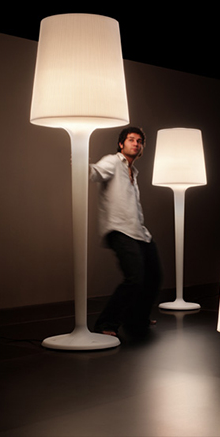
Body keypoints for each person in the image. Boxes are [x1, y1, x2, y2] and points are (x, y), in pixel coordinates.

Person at [90, 126, 163, 337]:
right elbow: (95, 172)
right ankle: (105, 323)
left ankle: (137, 318)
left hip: (139, 232)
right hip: (120, 230)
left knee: (154, 276)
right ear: (121, 144)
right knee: (135, 278)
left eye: (139, 141)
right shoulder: (113, 161)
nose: (136, 144)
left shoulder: (133, 172)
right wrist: (80, 163)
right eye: (131, 139)